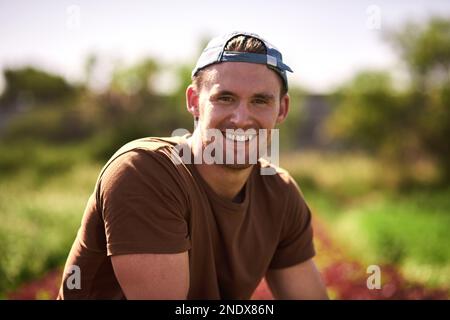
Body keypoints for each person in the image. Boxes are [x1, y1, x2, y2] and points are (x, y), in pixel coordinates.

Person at [57, 31, 329, 300]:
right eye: (225, 98)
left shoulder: (279, 192)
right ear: (194, 101)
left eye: (260, 100)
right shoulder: (144, 173)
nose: (241, 118)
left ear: (282, 109)